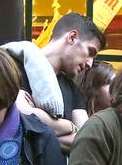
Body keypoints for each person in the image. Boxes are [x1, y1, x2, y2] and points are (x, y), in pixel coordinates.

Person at [7, 12, 103, 153]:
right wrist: (69, 127)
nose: (90, 63)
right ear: (72, 37)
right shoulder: (15, 67)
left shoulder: (73, 89)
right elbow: (22, 116)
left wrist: (38, 122)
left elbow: (88, 140)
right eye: (90, 51)